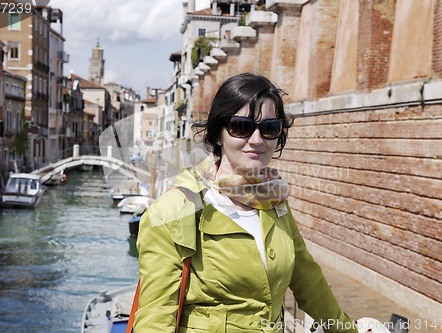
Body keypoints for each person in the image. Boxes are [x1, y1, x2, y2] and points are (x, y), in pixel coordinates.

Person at [133, 73, 359, 332]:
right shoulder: (174, 210)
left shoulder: (274, 202)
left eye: (269, 128)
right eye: (241, 126)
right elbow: (155, 318)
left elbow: (309, 281)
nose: (256, 140)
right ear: (218, 134)